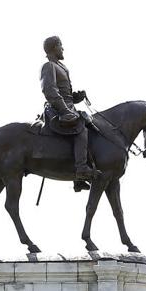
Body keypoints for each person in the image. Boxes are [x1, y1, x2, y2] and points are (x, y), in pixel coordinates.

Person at [40, 35, 97, 190]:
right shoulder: (49, 66)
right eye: (61, 45)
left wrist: (76, 97)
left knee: (91, 127)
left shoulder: (62, 67)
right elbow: (49, 90)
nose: (63, 49)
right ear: (54, 48)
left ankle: (78, 173)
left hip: (68, 108)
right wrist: (64, 110)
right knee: (81, 130)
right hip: (57, 111)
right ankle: (81, 170)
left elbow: (66, 95)